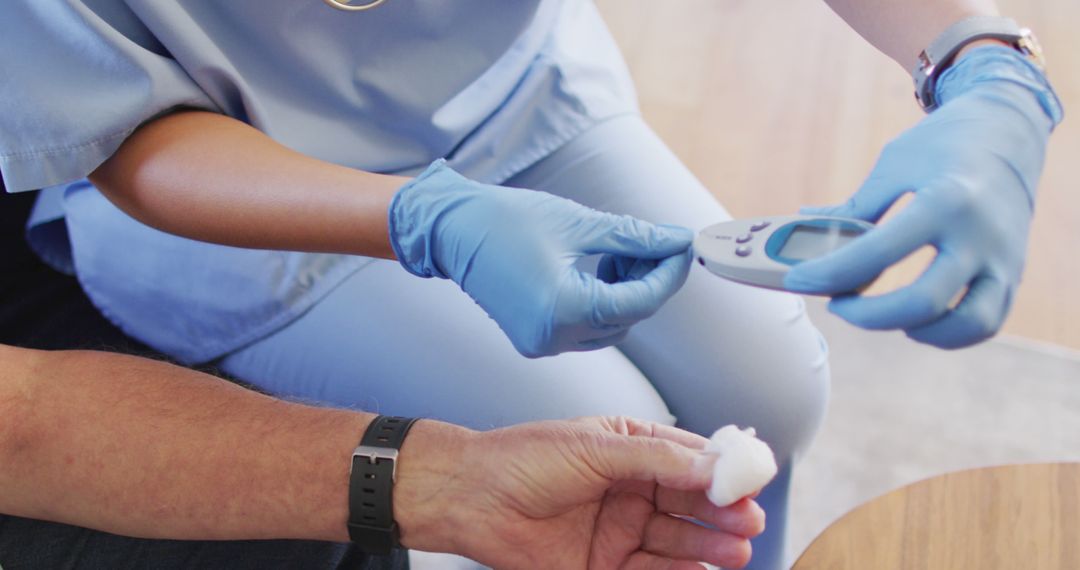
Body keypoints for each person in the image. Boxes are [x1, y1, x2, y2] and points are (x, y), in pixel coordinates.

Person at [0, 1, 1061, 568]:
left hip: (511, 91)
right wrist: (424, 218)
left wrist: (975, 56)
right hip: (242, 182)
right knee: (599, 447)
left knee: (771, 386)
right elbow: (121, 132)